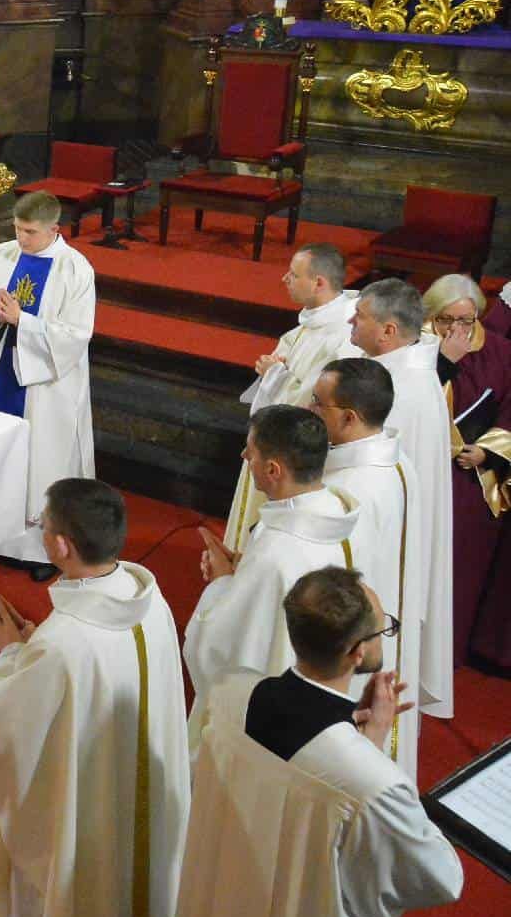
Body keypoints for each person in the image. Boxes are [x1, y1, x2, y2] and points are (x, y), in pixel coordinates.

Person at [175, 568, 464, 917]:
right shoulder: (377, 786)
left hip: (226, 903)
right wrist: (367, 754)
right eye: (383, 630)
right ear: (357, 652)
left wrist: (362, 743)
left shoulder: (228, 695)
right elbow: (439, 878)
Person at [0, 479, 189, 917]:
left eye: (44, 526)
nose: (42, 533)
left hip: (92, 814)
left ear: (62, 546)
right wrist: (34, 649)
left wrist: (11, 652)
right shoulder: (150, 601)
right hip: (144, 796)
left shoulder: (63, 642)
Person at [184, 405, 360, 748]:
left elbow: (219, 650)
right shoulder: (330, 514)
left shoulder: (275, 554)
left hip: (269, 718)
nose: (243, 457)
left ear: (273, 469)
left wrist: (221, 582)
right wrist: (242, 568)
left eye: (250, 452)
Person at [0, 191, 96, 577]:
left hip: (46, 387)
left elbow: (75, 334)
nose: (21, 238)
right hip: (0, 369)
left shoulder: (75, 269)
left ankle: (41, 552)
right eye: (17, 229)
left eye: (30, 232)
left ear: (54, 229)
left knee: (43, 459)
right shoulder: (2, 255)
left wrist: (25, 322)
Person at [315, 357, 425, 779]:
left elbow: (331, 584)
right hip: (388, 621)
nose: (309, 410)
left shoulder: (350, 488)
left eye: (318, 402)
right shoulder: (397, 461)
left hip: (358, 643)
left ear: (349, 417)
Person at [351, 277, 455, 720]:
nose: (351, 323)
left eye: (359, 317)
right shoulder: (402, 372)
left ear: (388, 331)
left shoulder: (404, 390)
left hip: (386, 542)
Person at [226, 243, 359, 551]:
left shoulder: (341, 336)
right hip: (270, 440)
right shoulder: (313, 321)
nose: (284, 278)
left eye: (294, 274)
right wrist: (270, 368)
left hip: (289, 457)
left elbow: (312, 405)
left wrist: (274, 375)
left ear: (319, 282)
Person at [425, 273, 511, 674]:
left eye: (467, 320)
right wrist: (443, 362)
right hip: (426, 474)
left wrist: (488, 451)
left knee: (461, 570)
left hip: (472, 480)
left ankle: (445, 655)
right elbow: (404, 401)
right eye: (447, 319)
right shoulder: (417, 349)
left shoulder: (501, 352)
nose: (457, 329)